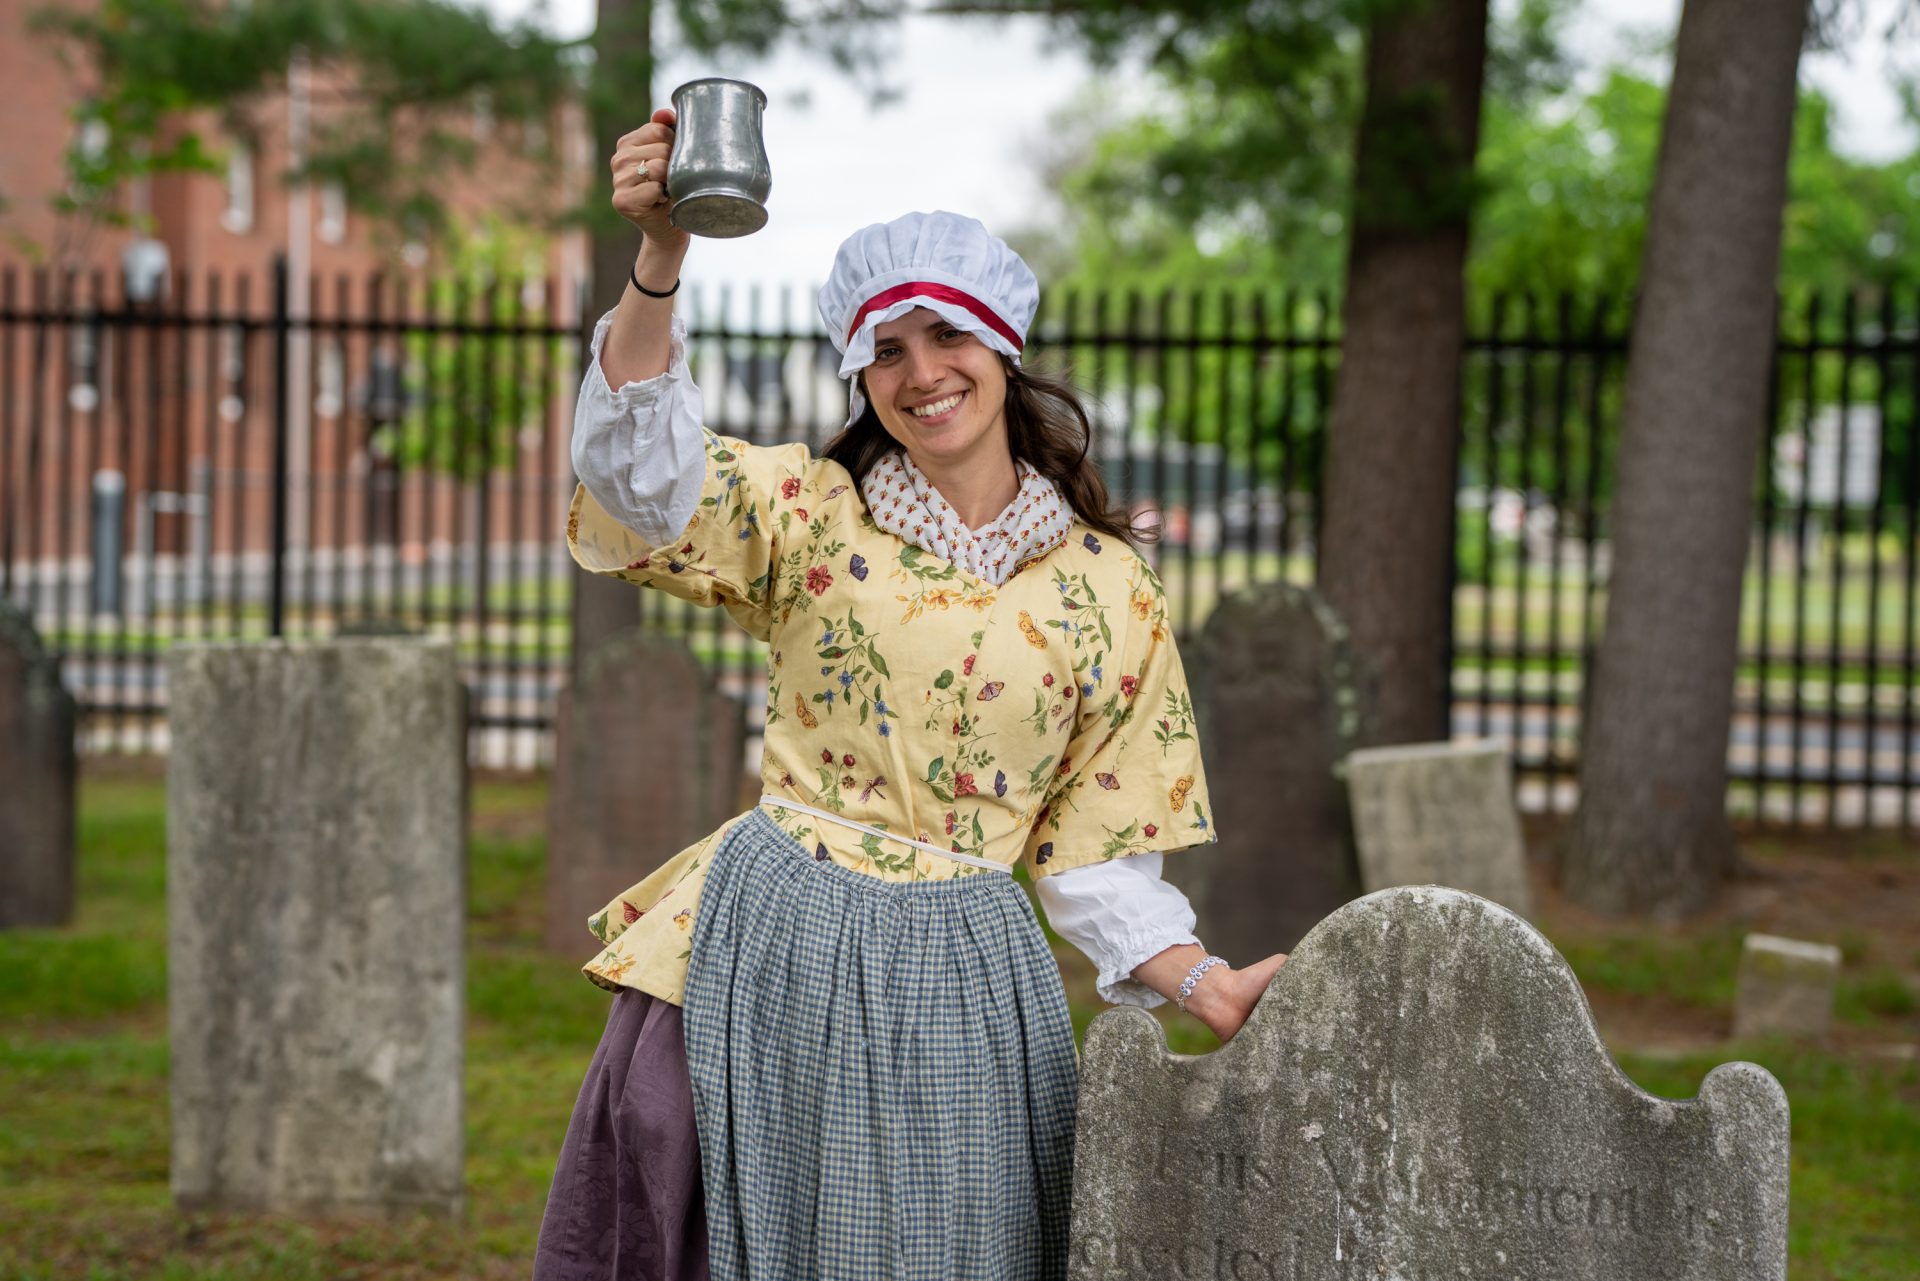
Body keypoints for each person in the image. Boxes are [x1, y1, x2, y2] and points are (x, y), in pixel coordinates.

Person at [533, 107, 1288, 1281]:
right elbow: (636, 477)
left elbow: (1095, 850)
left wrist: (1205, 982)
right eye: (887, 351)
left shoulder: (1108, 591)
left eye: (947, 339)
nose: (922, 374)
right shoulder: (809, 514)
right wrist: (661, 262)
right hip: (773, 939)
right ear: (859, 372)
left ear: (1003, 350)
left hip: (967, 979)